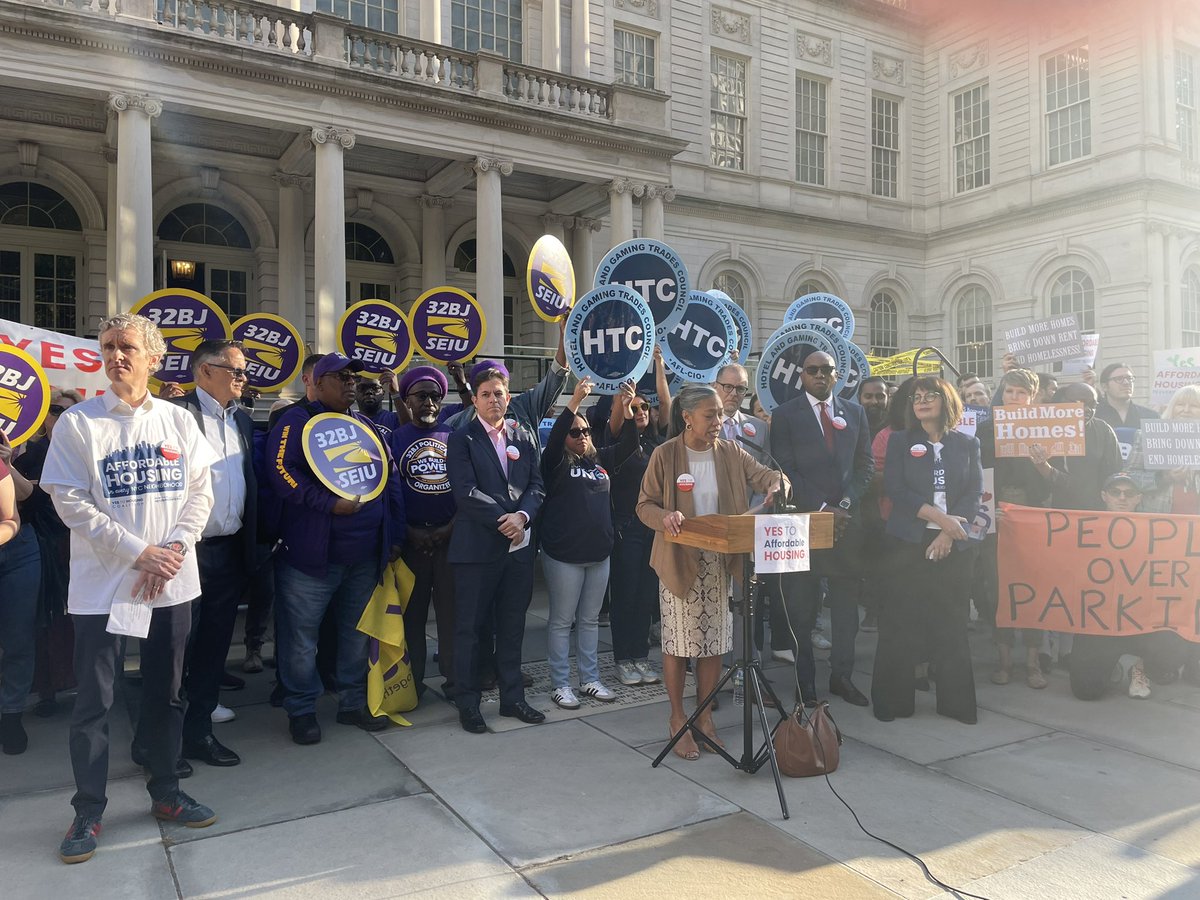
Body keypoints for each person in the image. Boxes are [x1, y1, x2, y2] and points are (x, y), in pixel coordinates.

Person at [41, 313, 220, 864]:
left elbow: (200, 493)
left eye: (128, 348)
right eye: (109, 346)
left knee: (166, 693)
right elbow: (68, 501)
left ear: (154, 358)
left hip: (170, 582)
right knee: (95, 702)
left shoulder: (178, 421)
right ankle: (88, 809)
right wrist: (136, 552)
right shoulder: (79, 424)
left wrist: (169, 553)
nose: (117, 355)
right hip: (105, 587)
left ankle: (164, 791)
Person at [637, 384, 785, 760]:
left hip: (720, 561)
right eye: (710, 415)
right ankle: (677, 718)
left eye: (720, 413)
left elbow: (767, 477)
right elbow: (644, 505)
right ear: (686, 418)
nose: (719, 421)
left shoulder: (733, 452)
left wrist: (779, 483)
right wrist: (665, 516)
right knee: (679, 644)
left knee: (713, 644)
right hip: (679, 559)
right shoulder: (665, 454)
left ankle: (703, 719)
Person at [268, 352, 405, 745]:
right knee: (300, 640)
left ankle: (350, 702)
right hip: (311, 559)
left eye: (353, 377)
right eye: (341, 376)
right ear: (316, 382)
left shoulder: (366, 425)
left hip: (364, 557)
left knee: (355, 635)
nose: (350, 382)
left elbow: (389, 480)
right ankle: (301, 708)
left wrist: (392, 537)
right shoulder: (296, 421)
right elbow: (280, 473)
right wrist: (328, 504)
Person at [169, 339, 258, 768]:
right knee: (173, 653)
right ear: (205, 371)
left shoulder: (241, 420)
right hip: (184, 553)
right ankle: (161, 742)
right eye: (236, 371)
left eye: (244, 372)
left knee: (212, 650)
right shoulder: (174, 416)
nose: (244, 378)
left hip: (228, 553)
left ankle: (198, 734)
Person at [873, 376, 982, 724]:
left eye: (930, 396)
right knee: (900, 623)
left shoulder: (967, 444)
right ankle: (893, 704)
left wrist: (949, 532)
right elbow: (897, 489)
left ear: (946, 401)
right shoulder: (901, 442)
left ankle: (956, 705)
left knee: (951, 623)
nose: (921, 401)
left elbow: (973, 494)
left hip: (952, 544)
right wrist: (938, 519)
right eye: (917, 397)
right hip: (908, 542)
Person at [770, 351, 874, 707]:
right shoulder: (785, 415)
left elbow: (866, 465)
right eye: (812, 370)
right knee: (803, 608)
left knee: (847, 610)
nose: (820, 375)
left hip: (847, 527)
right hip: (804, 524)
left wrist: (844, 505)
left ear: (836, 375)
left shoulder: (855, 412)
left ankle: (842, 676)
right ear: (802, 375)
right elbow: (784, 468)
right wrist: (820, 507)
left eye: (826, 370)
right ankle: (805, 684)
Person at [448, 363, 546, 734]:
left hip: (517, 547)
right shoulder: (462, 437)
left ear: (509, 396)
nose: (493, 400)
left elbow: (537, 484)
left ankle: (513, 698)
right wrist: (503, 519)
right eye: (485, 394)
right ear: (474, 399)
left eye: (499, 393)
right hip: (476, 549)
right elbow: (464, 491)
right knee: (470, 630)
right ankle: (469, 704)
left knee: (511, 625)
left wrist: (522, 516)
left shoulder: (524, 434)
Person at [542, 378, 637, 708]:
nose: (582, 436)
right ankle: (559, 683)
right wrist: (574, 402)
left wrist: (624, 410)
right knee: (561, 621)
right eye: (575, 432)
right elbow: (555, 441)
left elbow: (628, 446)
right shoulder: (554, 463)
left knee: (589, 620)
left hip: (598, 555)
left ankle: (589, 679)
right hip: (564, 556)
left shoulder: (600, 462)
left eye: (585, 432)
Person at [1068, 473, 1189, 700]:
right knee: (1085, 691)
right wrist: (1011, 521)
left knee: (1176, 644)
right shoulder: (1085, 528)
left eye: (1129, 493)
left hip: (1141, 620)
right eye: (1116, 492)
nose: (1122, 497)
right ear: (1104, 496)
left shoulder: (1156, 531)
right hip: (1099, 622)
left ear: (1138, 498)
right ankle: (1110, 666)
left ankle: (1141, 667)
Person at [12, 389, 82, 717]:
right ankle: (47, 691)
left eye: (69, 410)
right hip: (43, 546)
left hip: (82, 546)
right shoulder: (30, 457)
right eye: (55, 410)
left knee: (78, 621)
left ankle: (78, 682)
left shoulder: (85, 453)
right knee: (44, 620)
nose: (60, 416)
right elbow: (26, 504)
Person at [389, 365, 457, 698]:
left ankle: (454, 681)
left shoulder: (453, 437)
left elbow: (466, 489)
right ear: (407, 400)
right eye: (421, 396)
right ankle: (412, 684)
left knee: (450, 618)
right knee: (412, 621)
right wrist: (407, 532)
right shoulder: (393, 440)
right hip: (411, 546)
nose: (429, 402)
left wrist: (449, 528)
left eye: (435, 396)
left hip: (449, 542)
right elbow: (389, 494)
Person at [1129, 384, 1200, 685]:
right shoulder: (1150, 435)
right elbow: (1130, 478)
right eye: (1181, 405)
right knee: (1160, 599)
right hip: (1162, 532)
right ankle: (1151, 666)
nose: (1186, 411)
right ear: (1171, 407)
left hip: (1196, 531)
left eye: (1193, 406)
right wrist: (1164, 476)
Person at [606, 358, 671, 688]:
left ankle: (641, 657)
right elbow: (618, 422)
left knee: (646, 596)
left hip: (653, 530)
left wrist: (659, 365)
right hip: (626, 528)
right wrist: (624, 400)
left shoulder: (659, 444)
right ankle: (623, 658)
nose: (641, 410)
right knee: (625, 595)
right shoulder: (621, 444)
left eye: (645, 406)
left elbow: (668, 403)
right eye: (635, 406)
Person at [990, 368, 1052, 688]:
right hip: (998, 517)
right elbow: (978, 475)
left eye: (1021, 393)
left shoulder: (1046, 430)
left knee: (1033, 590)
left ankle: (1032, 662)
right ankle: (1003, 661)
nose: (1014, 398)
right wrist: (989, 510)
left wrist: (1042, 464)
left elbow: (1056, 484)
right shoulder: (987, 429)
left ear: (1032, 396)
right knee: (1001, 590)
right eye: (1009, 392)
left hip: (1034, 517)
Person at [0, 434, 40, 755]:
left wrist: (6, 462)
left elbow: (25, 497)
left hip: (19, 550)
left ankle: (11, 714)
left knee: (18, 638)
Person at [1033, 382, 1121, 512]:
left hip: (1093, 510)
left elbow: (1114, 473)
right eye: (1080, 402)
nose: (1087, 409)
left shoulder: (1104, 431)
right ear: (1061, 401)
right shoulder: (1042, 428)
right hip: (1052, 511)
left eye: (1092, 405)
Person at [355, 373, 402, 440]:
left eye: (375, 388)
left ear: (383, 393)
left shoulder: (395, 419)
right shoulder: (349, 421)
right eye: (362, 388)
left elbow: (410, 427)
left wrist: (396, 393)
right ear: (355, 393)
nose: (369, 392)